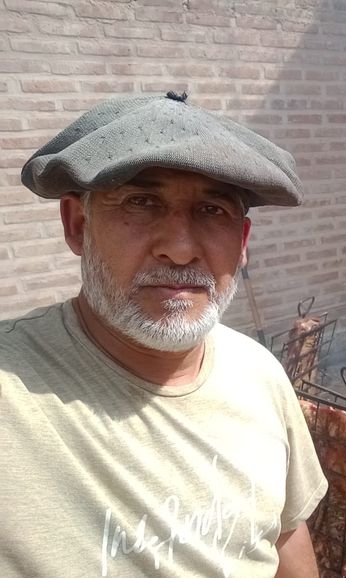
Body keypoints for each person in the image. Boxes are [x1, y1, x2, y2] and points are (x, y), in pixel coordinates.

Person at [0, 92, 328, 577]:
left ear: (242, 244)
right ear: (78, 225)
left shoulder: (260, 374)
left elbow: (284, 533)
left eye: (212, 210)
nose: (179, 249)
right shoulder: (11, 391)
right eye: (141, 202)